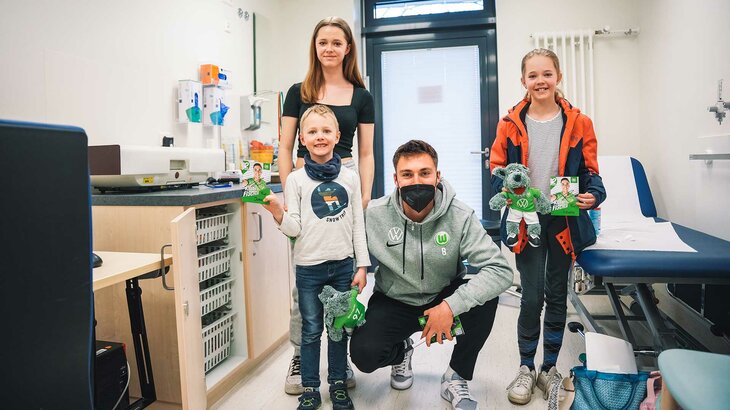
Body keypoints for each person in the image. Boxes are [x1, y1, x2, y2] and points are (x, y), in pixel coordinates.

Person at [350, 140, 513, 410]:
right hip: (393, 300)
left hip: (442, 296)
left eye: (425, 173)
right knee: (364, 356)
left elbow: (500, 271)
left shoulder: (460, 215)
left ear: (438, 176)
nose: (416, 181)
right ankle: (403, 351)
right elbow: (347, 253)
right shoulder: (375, 215)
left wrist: (450, 306)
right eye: (407, 174)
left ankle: (456, 376)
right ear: (396, 179)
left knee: (486, 298)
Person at [490, 48, 606, 405]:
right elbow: (497, 170)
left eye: (547, 74)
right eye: (533, 75)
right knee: (532, 296)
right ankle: (525, 368)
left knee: (557, 295)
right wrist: (506, 190)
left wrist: (594, 195)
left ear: (558, 77)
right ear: (523, 81)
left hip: (562, 221)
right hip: (526, 222)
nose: (540, 81)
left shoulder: (579, 122)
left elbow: (590, 173)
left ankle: (549, 369)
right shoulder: (509, 124)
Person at [279, 16, 375, 394]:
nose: (330, 48)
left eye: (337, 42)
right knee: (305, 274)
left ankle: (339, 358)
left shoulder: (360, 96)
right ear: (315, 47)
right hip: (304, 186)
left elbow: (365, 152)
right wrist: (290, 194)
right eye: (323, 42)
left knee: (343, 274)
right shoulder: (297, 91)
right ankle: (302, 355)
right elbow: (286, 147)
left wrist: (365, 194)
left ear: (348, 48)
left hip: (346, 182)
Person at [263, 105, 369, 410]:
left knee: (338, 328)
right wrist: (277, 213)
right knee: (311, 330)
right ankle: (310, 387)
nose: (319, 136)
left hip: (343, 267)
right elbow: (294, 228)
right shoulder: (295, 180)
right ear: (302, 140)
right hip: (308, 268)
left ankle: (337, 384)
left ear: (337, 136)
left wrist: (362, 265)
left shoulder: (350, 178)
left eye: (325, 131)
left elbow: (357, 226)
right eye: (312, 131)